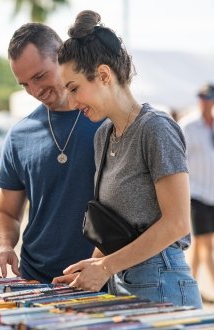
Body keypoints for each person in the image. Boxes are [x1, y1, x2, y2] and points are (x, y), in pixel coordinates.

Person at [53, 10, 202, 308]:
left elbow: (178, 222)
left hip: (164, 284)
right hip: (122, 283)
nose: (70, 102)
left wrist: (105, 267)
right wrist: (89, 270)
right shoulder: (103, 136)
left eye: (74, 88)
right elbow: (115, 228)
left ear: (104, 75)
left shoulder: (156, 128)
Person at [0, 23, 101, 283]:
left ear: (62, 55)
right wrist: (3, 246)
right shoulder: (19, 136)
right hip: (36, 280)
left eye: (40, 76)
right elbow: (7, 213)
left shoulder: (108, 122)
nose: (35, 91)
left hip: (99, 279)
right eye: (25, 84)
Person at [180, 83, 214, 301]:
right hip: (196, 193)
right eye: (201, 97)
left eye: (208, 97)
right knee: (206, 243)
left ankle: (189, 288)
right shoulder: (188, 126)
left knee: (201, 245)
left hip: (212, 194)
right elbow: (179, 160)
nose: (204, 101)